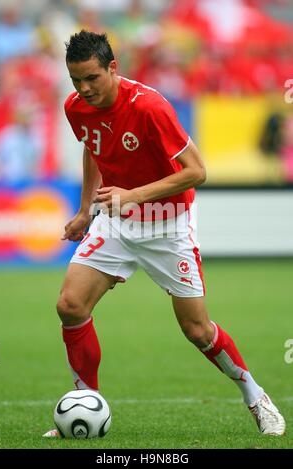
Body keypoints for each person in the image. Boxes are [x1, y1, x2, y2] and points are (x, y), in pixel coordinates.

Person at [43, 30, 285, 437]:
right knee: (70, 305)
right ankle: (87, 401)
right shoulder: (76, 107)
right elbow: (92, 145)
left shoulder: (150, 106)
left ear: (113, 69)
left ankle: (256, 397)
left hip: (168, 224)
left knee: (196, 330)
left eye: (92, 79)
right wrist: (85, 210)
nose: (84, 89)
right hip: (116, 221)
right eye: (76, 81)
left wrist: (132, 194)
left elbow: (197, 171)